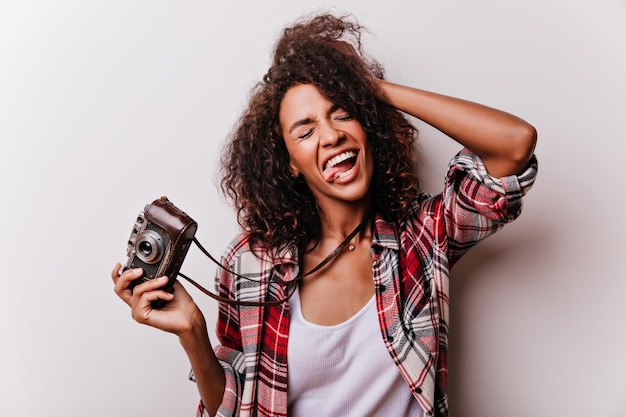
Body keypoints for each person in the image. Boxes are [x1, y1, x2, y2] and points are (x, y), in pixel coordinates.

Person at [112, 12, 538, 417]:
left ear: (369, 125)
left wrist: (364, 87)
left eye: (343, 112)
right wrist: (192, 332)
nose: (332, 134)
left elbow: (514, 145)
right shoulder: (250, 263)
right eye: (306, 129)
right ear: (289, 162)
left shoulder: (423, 237)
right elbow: (234, 406)